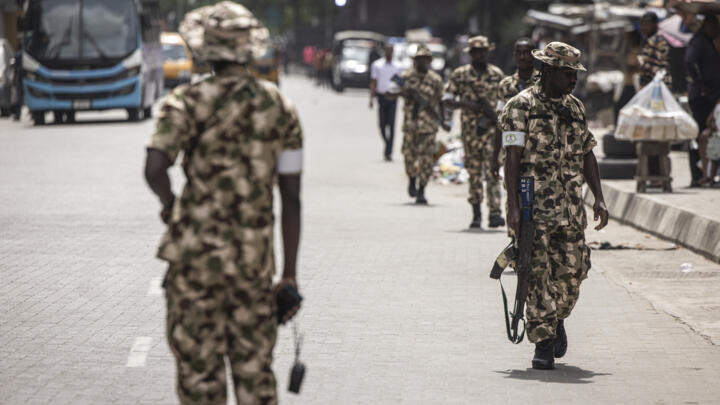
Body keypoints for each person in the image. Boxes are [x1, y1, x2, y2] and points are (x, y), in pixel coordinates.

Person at [143, 3, 303, 403]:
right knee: (255, 381)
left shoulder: (186, 101)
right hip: (252, 273)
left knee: (200, 384)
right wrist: (288, 275)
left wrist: (171, 206)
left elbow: (154, 166)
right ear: (250, 49)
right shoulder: (280, 108)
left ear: (206, 50)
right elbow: (292, 198)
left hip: (194, 270)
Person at [498, 41, 608, 370]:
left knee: (574, 272)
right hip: (533, 207)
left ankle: (556, 317)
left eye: (575, 73)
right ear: (548, 70)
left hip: (570, 207)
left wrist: (599, 196)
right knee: (535, 274)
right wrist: (513, 206)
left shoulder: (575, 107)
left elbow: (587, 152)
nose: (573, 79)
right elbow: (511, 159)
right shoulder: (520, 105)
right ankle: (543, 341)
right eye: (567, 72)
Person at [444, 35, 505, 228]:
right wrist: (468, 105)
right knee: (474, 173)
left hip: (491, 132)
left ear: (487, 52)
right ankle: (477, 213)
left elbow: (505, 102)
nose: (479, 55)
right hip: (471, 133)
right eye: (475, 52)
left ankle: (495, 213)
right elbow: (447, 99)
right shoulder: (460, 75)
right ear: (470, 54)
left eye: (483, 51)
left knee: (493, 171)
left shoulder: (497, 74)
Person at [396, 44, 445, 204]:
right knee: (409, 157)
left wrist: (444, 120)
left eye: (425, 59)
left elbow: (441, 101)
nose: (421, 62)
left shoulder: (436, 80)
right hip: (411, 124)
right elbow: (390, 92)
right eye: (419, 59)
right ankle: (411, 179)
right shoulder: (406, 76)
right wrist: (404, 92)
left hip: (429, 126)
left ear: (429, 60)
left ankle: (422, 189)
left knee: (426, 160)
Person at [491, 38, 539, 177]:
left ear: (534, 54)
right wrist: (495, 158)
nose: (522, 57)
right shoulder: (505, 85)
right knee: (513, 196)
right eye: (519, 53)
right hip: (511, 153)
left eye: (526, 53)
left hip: (538, 154)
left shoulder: (543, 83)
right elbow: (500, 123)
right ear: (514, 55)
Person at [686, 14, 720, 187]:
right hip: (702, 97)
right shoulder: (699, 41)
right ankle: (698, 175)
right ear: (706, 25)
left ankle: (708, 174)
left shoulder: (710, 42)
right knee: (699, 135)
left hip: (711, 96)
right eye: (714, 26)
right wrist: (702, 84)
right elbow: (690, 62)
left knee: (711, 135)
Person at [369, 43, 403, 161]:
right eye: (387, 50)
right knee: (382, 125)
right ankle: (387, 142)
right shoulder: (377, 65)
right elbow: (373, 81)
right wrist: (371, 98)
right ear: (384, 51)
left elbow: (401, 83)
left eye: (391, 51)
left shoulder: (398, 66)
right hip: (381, 96)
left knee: (392, 124)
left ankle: (389, 151)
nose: (389, 53)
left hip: (393, 98)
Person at [639, 11, 672, 88]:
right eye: (642, 25)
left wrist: (644, 63)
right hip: (648, 83)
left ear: (655, 24)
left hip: (657, 83)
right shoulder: (647, 40)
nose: (644, 28)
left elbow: (663, 65)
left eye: (647, 25)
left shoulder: (660, 41)